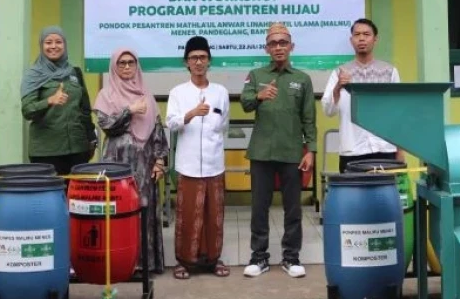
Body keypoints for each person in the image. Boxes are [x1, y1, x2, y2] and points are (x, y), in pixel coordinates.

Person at [240, 22, 316, 278]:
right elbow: (245, 104)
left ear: (291, 46)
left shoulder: (302, 80)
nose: (278, 47)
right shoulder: (256, 75)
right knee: (259, 207)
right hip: (261, 152)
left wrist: (311, 150)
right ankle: (258, 257)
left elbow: (309, 119)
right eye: (273, 43)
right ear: (266, 48)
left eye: (283, 42)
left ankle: (291, 257)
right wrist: (259, 95)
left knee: (293, 208)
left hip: (292, 153)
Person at [93, 48, 168, 274]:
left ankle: (145, 262)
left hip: (145, 163)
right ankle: (119, 261)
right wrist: (129, 110)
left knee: (143, 208)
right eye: (121, 63)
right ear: (114, 67)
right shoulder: (106, 95)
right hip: (117, 163)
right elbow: (106, 125)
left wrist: (160, 161)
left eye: (131, 63)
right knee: (118, 210)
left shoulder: (147, 95)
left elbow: (157, 130)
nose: (126, 67)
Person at [166, 36, 231, 279]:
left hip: (215, 164)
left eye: (203, 57)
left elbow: (223, 123)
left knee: (214, 215)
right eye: (194, 58)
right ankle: (184, 261)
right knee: (187, 215)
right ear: (186, 63)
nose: (198, 62)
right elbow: (170, 123)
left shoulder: (220, 92)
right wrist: (191, 114)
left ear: (209, 61)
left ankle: (213, 259)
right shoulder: (178, 93)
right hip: (188, 164)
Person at [321, 18, 403, 173]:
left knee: (384, 197)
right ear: (351, 40)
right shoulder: (339, 72)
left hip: (384, 149)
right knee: (352, 197)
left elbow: (397, 114)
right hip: (352, 151)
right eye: (357, 34)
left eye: (366, 34)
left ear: (375, 39)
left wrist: (400, 151)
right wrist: (338, 87)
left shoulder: (389, 71)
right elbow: (328, 111)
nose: (362, 38)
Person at [20, 26, 97, 176]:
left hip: (78, 149)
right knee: (50, 197)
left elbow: (85, 109)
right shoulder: (33, 75)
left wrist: (91, 139)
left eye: (58, 42)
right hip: (46, 150)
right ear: (42, 46)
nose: (54, 46)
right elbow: (28, 111)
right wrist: (49, 100)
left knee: (77, 197)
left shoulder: (75, 72)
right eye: (48, 42)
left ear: (65, 45)